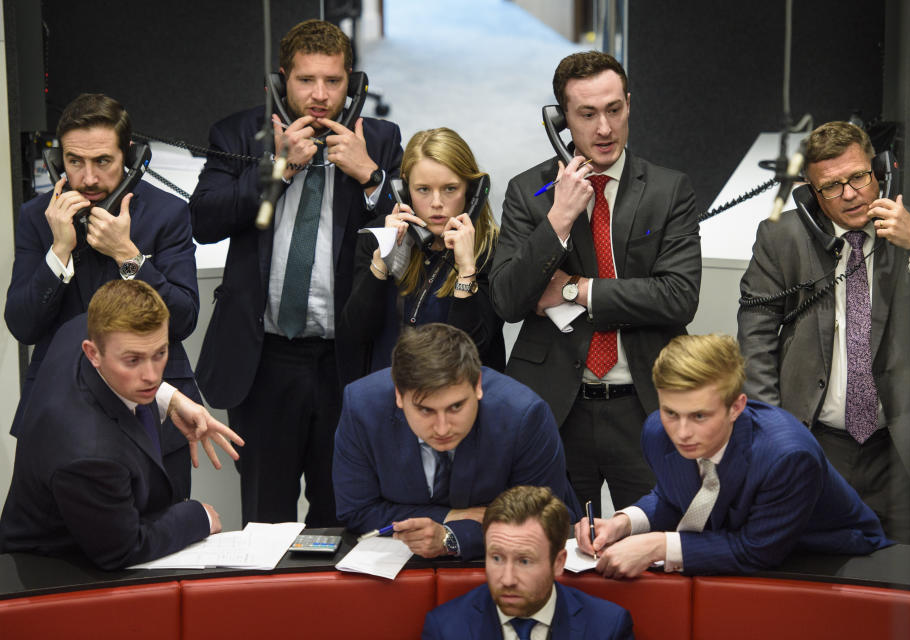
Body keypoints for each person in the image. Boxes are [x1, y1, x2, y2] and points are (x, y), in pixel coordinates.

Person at [189, 19, 403, 527]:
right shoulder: (239, 133)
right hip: (265, 360)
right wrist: (277, 171)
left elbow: (409, 237)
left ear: (353, 82)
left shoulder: (382, 139)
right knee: (266, 516)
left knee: (345, 512)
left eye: (333, 81)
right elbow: (205, 220)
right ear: (280, 80)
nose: (320, 96)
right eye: (306, 80)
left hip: (345, 361)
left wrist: (371, 178)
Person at [490, 51, 701, 513]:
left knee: (653, 548)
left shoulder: (669, 190)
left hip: (643, 403)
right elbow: (507, 299)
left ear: (628, 103)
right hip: (557, 406)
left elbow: (678, 296)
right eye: (586, 114)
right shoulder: (530, 192)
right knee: (554, 547)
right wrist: (559, 218)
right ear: (560, 119)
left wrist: (574, 290)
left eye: (614, 110)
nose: (604, 129)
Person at [737, 121, 910, 548]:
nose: (851, 194)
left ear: (880, 170)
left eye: (858, 177)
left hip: (901, 449)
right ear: (813, 193)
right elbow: (756, 343)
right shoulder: (781, 237)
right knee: (817, 584)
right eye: (832, 186)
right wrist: (777, 436)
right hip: (815, 442)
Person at [575, 334, 890, 577]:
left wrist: (657, 545)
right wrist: (624, 523)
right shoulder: (657, 432)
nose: (682, 432)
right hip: (737, 546)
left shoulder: (789, 456)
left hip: (829, 559)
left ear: (736, 407)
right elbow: (676, 497)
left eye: (699, 416)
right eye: (671, 412)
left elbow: (756, 550)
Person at [0, 280, 244, 570]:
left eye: (160, 354)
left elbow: (137, 362)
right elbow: (122, 549)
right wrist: (197, 517)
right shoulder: (87, 452)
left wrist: (171, 398)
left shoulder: (82, 328)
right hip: (50, 573)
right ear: (93, 353)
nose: (152, 376)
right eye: (133, 361)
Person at [5, 92, 200, 438]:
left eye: (103, 161)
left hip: (152, 403)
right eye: (74, 161)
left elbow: (183, 319)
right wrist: (60, 249)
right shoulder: (37, 218)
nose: (89, 178)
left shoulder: (166, 213)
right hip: (61, 407)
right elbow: (22, 325)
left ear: (130, 156)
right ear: (56, 160)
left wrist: (128, 255)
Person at [332, 323, 579, 561]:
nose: (442, 428)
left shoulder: (524, 415)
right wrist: (452, 516)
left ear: (478, 386)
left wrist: (452, 537)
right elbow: (358, 511)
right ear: (399, 395)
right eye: (425, 411)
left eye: (456, 407)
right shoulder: (362, 407)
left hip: (505, 563)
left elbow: (546, 518)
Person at [341, 127, 504, 377]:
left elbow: (475, 348)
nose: (436, 203)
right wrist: (381, 264)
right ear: (404, 191)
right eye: (423, 190)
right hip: (387, 395)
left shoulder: (491, 249)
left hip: (455, 400)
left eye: (450, 189)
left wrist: (466, 270)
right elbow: (356, 334)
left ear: (471, 192)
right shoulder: (378, 235)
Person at [423, 485, 634, 639]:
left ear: (558, 563)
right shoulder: (445, 629)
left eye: (524, 561)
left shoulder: (607, 629)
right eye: (496, 558)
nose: (507, 579)